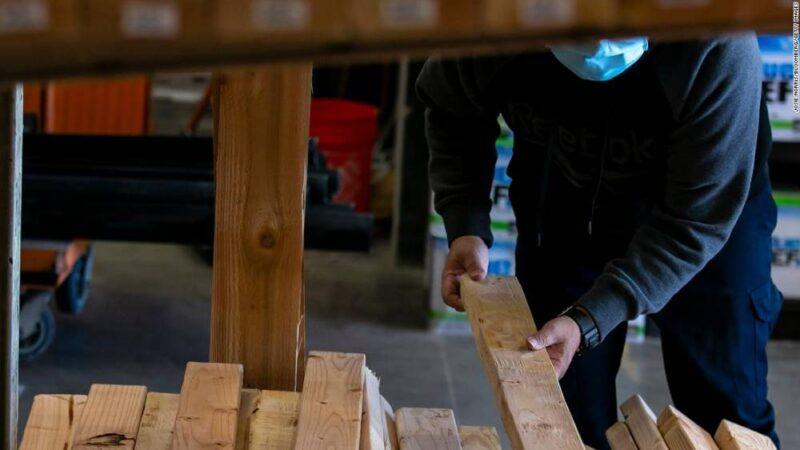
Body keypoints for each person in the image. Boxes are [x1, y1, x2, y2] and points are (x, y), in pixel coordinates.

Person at [417, 33, 781, 449]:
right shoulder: (494, 20)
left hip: (706, 217)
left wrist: (592, 318)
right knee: (562, 415)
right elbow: (452, 108)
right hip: (564, 202)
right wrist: (465, 221)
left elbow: (694, 222)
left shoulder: (716, 38)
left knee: (725, 416)